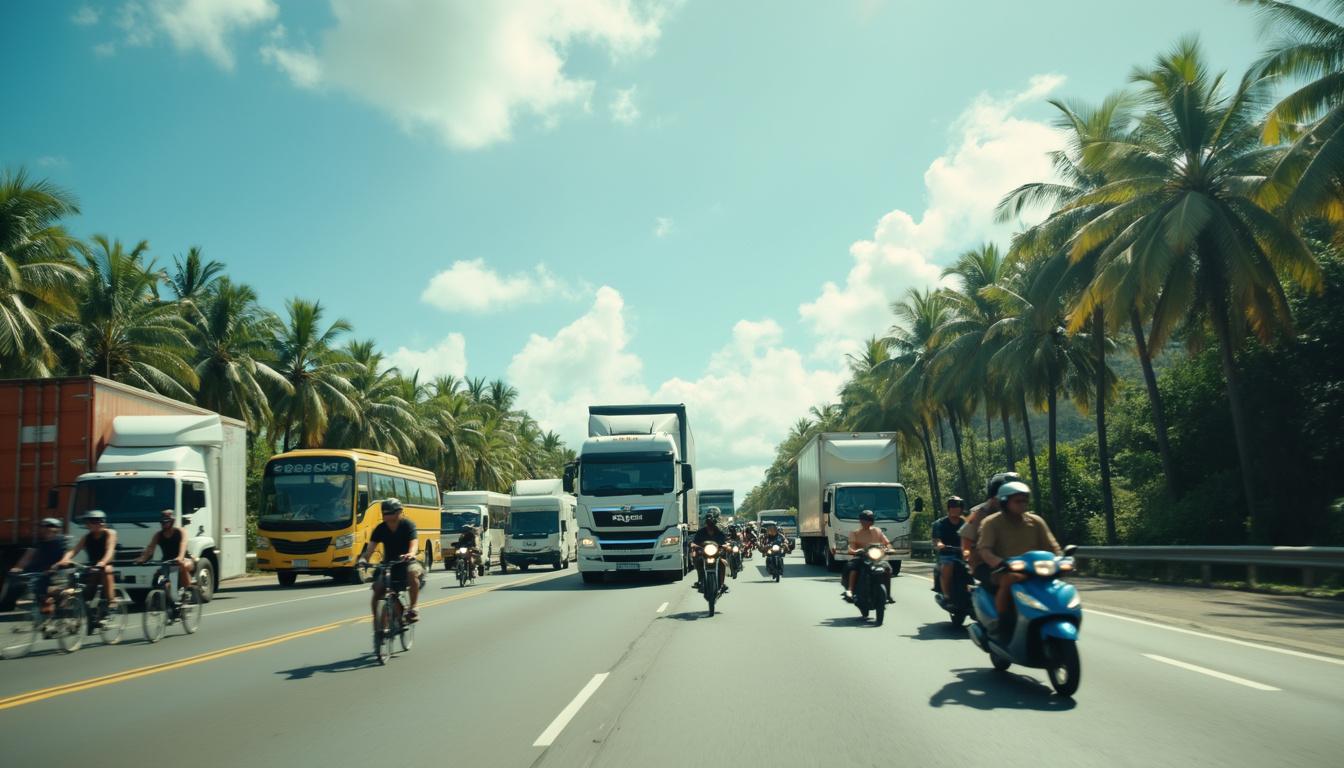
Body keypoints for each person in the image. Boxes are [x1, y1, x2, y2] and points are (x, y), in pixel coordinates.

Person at [976, 481, 1062, 628]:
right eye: (1018, 501)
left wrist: (1060, 559)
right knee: (1009, 579)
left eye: (1025, 500)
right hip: (1003, 570)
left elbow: (1052, 547)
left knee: (1059, 585)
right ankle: (1003, 622)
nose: (1023, 504)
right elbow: (984, 550)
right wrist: (1000, 562)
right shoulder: (991, 523)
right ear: (1004, 502)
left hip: (1034, 570)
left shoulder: (1036, 521)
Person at [356, 498, 422, 622]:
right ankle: (377, 623)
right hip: (388, 565)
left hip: (407, 562)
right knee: (378, 589)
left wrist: (410, 554)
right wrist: (363, 560)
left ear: (399, 512)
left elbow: (414, 544)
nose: (386, 515)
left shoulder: (408, 525)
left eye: (389, 512)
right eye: (384, 512)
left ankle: (413, 608)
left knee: (412, 573)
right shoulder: (380, 529)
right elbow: (369, 550)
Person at [960, 472, 1021, 586]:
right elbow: (966, 539)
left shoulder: (1021, 514)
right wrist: (968, 554)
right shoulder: (979, 513)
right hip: (984, 564)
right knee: (1005, 582)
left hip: (1016, 562)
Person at [5, 518, 68, 613]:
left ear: (57, 529)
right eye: (44, 527)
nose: (46, 530)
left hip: (54, 573)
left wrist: (57, 566)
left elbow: (65, 558)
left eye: (49, 527)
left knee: (49, 593)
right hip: (37, 572)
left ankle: (61, 596)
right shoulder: (39, 544)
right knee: (19, 588)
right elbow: (27, 556)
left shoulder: (62, 544)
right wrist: (18, 568)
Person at [57, 510, 117, 607]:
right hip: (92, 566)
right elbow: (73, 551)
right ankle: (69, 605)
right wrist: (64, 560)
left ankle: (112, 601)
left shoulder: (110, 533)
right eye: (93, 521)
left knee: (107, 570)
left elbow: (110, 550)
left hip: (105, 564)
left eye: (101, 521)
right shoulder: (86, 537)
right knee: (74, 577)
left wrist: (102, 562)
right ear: (87, 524)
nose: (98, 523)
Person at [134, 509, 194, 601]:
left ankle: (187, 591)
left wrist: (180, 557)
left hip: (184, 559)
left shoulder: (181, 532)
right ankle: (166, 600)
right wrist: (143, 558)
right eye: (161, 522)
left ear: (172, 521)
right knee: (159, 578)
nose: (163, 524)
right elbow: (150, 548)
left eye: (166, 521)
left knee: (182, 565)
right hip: (167, 562)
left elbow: (183, 544)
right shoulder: (158, 535)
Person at [843, 510, 894, 604]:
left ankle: (888, 594)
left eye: (870, 519)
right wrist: (855, 551)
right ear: (861, 521)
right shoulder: (855, 533)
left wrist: (889, 549)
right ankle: (850, 590)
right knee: (853, 567)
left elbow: (887, 543)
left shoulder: (877, 531)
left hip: (876, 558)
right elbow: (851, 547)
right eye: (865, 519)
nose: (868, 521)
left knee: (887, 569)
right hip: (861, 557)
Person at [931, 496, 966, 596]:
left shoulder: (965, 523)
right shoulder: (940, 524)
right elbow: (936, 540)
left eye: (957, 506)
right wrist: (940, 544)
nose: (954, 509)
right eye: (952, 506)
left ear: (961, 508)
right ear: (948, 508)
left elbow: (972, 537)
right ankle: (946, 595)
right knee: (948, 566)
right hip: (946, 554)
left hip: (963, 553)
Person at [690, 508, 728, 594]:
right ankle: (700, 580)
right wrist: (694, 546)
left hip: (717, 554)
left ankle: (722, 584)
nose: (710, 523)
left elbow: (725, 542)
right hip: (704, 554)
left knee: (722, 563)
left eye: (711, 521)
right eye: (708, 521)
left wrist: (726, 546)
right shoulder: (701, 532)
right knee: (697, 560)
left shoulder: (719, 531)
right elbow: (694, 542)